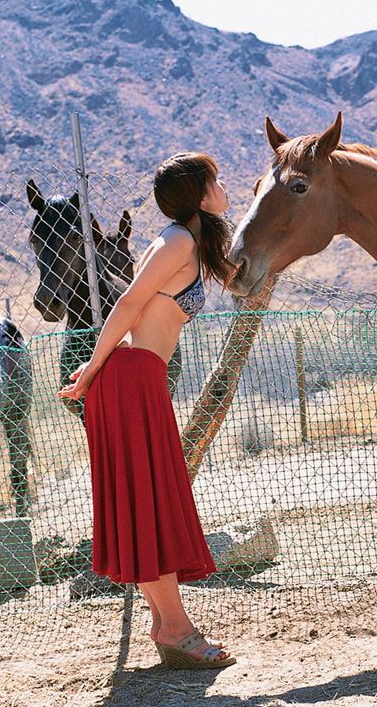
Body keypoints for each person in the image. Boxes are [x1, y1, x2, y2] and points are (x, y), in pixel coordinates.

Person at [60, 152, 236, 670]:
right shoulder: (177, 240)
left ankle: (167, 626)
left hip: (140, 379)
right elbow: (129, 304)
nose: (224, 187)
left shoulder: (187, 240)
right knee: (149, 502)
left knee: (145, 503)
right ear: (200, 195)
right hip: (129, 377)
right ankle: (176, 628)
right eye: (216, 181)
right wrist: (93, 368)